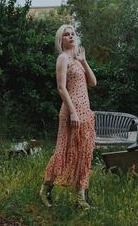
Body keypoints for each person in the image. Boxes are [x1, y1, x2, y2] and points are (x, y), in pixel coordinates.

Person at [39, 24, 97, 210]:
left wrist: (84, 61)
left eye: (73, 34)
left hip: (85, 112)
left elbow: (93, 83)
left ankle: (81, 198)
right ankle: (45, 190)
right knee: (63, 151)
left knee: (84, 154)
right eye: (66, 34)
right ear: (61, 39)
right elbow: (61, 88)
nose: (71, 36)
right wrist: (72, 111)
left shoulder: (77, 60)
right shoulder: (63, 58)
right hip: (71, 112)